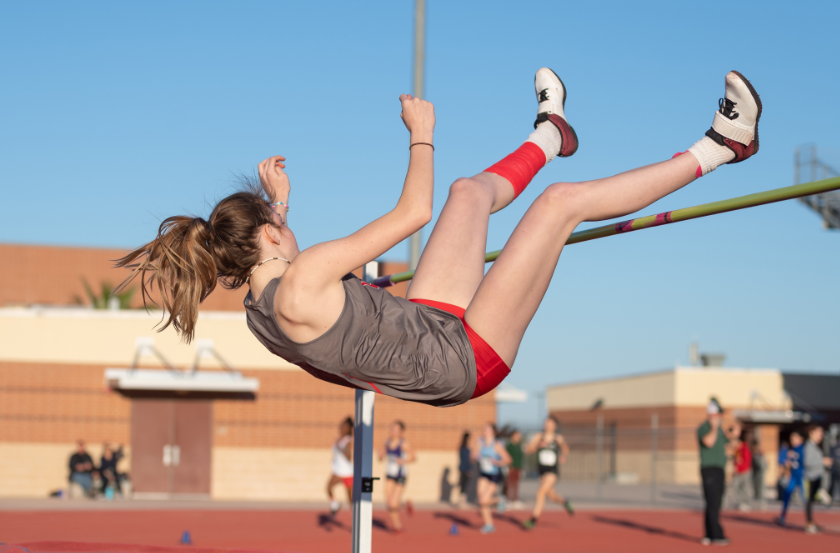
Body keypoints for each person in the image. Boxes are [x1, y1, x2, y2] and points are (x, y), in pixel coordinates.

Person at [116, 68, 764, 409]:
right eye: (277, 219)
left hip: (431, 326)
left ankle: (550, 134)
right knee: (558, 207)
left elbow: (290, 274)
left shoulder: (263, 308)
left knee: (468, 191)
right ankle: (721, 146)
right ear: (268, 235)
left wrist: (278, 205)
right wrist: (419, 131)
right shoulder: (303, 276)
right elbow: (411, 212)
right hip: (461, 359)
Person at [523, 416, 573, 529]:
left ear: (555, 426)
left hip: (552, 471)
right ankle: (566, 503)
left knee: (540, 493)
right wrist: (537, 446)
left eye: (550, 423)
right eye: (546, 423)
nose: (547, 425)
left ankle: (533, 520)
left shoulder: (557, 438)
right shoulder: (539, 437)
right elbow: (528, 450)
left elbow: (566, 449)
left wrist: (563, 455)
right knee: (551, 496)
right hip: (541, 471)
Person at [697, 399, 730, 546]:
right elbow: (708, 442)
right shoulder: (704, 428)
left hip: (720, 469)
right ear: (711, 414)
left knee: (716, 503)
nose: (720, 417)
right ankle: (716, 534)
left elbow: (727, 446)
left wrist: (733, 435)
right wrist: (714, 427)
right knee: (712, 502)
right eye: (717, 414)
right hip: (709, 469)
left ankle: (709, 534)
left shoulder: (721, 430)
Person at [472, 423, 511, 534]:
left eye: (487, 430)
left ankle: (500, 499)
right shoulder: (480, 443)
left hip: (494, 475)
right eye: (483, 429)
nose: (484, 432)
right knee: (481, 500)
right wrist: (473, 456)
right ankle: (489, 525)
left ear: (493, 432)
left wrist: (498, 462)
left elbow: (508, 459)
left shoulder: (497, 445)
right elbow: (473, 456)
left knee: (484, 500)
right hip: (484, 474)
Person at [378, 420, 416, 532]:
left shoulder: (403, 443)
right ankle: (397, 525)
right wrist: (380, 455)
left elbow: (414, 457)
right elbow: (381, 456)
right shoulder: (386, 442)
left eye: (395, 430)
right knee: (388, 502)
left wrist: (403, 460)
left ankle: (405, 505)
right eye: (391, 429)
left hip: (400, 475)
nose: (392, 432)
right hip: (389, 474)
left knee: (392, 503)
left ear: (401, 432)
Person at [802, 425, 833, 533]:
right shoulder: (808, 446)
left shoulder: (815, 446)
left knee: (812, 501)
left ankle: (811, 522)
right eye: (819, 433)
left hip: (817, 476)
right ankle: (809, 524)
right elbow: (807, 462)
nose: (821, 436)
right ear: (812, 433)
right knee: (809, 501)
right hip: (810, 477)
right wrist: (822, 462)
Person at [777, 431, 805, 527]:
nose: (792, 440)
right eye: (791, 439)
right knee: (787, 494)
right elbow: (788, 461)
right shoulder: (792, 449)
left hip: (802, 476)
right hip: (793, 476)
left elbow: (804, 461)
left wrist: (794, 456)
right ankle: (782, 516)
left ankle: (809, 519)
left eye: (794, 438)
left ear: (800, 439)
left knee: (805, 498)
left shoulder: (803, 449)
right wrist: (788, 463)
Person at [327, 417, 354, 516]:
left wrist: (339, 447)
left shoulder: (348, 440)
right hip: (338, 471)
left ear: (349, 428)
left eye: (345, 426)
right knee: (328, 488)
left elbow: (349, 456)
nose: (342, 428)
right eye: (342, 425)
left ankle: (357, 518)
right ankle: (335, 504)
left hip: (347, 473)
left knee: (350, 499)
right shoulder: (339, 439)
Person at [729, 425, 752, 511]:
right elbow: (736, 460)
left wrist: (741, 466)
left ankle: (746, 503)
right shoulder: (737, 450)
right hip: (738, 472)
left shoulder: (744, 449)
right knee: (735, 487)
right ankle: (739, 502)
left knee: (745, 488)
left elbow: (746, 461)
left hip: (744, 472)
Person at [505, 430, 524, 508]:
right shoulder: (509, 446)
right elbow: (507, 456)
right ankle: (508, 500)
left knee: (516, 484)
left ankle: (515, 500)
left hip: (518, 467)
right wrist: (509, 466)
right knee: (510, 484)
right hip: (511, 468)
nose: (518, 437)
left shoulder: (519, 446)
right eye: (517, 435)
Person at [456, 431, 473, 509]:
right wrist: (468, 469)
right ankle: (462, 503)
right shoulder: (465, 449)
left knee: (463, 485)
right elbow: (466, 460)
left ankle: (461, 502)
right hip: (465, 469)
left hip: (462, 468)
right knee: (464, 485)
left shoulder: (461, 447)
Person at [750, 436, 767, 510]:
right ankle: (755, 502)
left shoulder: (760, 453)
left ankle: (762, 503)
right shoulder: (753, 453)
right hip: (754, 473)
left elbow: (763, 464)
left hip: (760, 473)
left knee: (761, 488)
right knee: (754, 488)